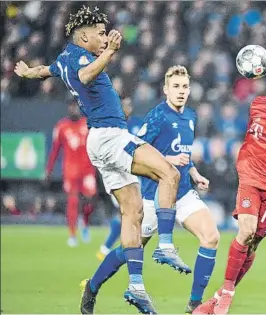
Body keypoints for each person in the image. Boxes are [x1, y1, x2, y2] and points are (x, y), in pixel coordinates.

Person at [14, 6, 184, 314]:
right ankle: (167, 246)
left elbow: (47, 70)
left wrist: (29, 71)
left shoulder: (63, 59)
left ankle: (129, 286)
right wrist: (110, 54)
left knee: (133, 213)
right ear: (83, 35)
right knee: (169, 173)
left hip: (101, 140)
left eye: (107, 34)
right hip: (110, 135)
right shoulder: (81, 59)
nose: (105, 38)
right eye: (101, 34)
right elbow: (85, 75)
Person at [83, 65, 220, 314]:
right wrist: (168, 159)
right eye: (176, 87)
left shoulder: (190, 116)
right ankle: (91, 288)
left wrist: (194, 173)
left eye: (184, 87)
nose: (180, 91)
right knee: (129, 251)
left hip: (183, 193)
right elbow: (137, 150)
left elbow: (183, 156)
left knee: (211, 237)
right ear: (166, 89)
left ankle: (195, 305)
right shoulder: (157, 116)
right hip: (153, 196)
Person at [194, 77, 266, 315]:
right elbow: (252, 137)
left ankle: (216, 299)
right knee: (246, 231)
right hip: (250, 177)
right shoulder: (257, 105)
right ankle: (227, 292)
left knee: (252, 244)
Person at [96, 98, 143, 261]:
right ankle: (112, 247)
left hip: (136, 173)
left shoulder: (138, 124)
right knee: (127, 211)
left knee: (130, 212)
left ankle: (115, 247)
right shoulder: (112, 126)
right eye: (124, 106)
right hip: (118, 173)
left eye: (129, 105)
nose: (127, 109)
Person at [45, 102, 96, 247]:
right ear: (68, 108)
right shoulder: (61, 126)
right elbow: (55, 150)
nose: (73, 109)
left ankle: (85, 223)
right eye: (71, 107)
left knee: (90, 202)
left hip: (87, 170)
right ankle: (72, 235)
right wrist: (49, 169)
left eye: (76, 106)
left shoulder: (87, 124)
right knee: (72, 201)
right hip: (70, 171)